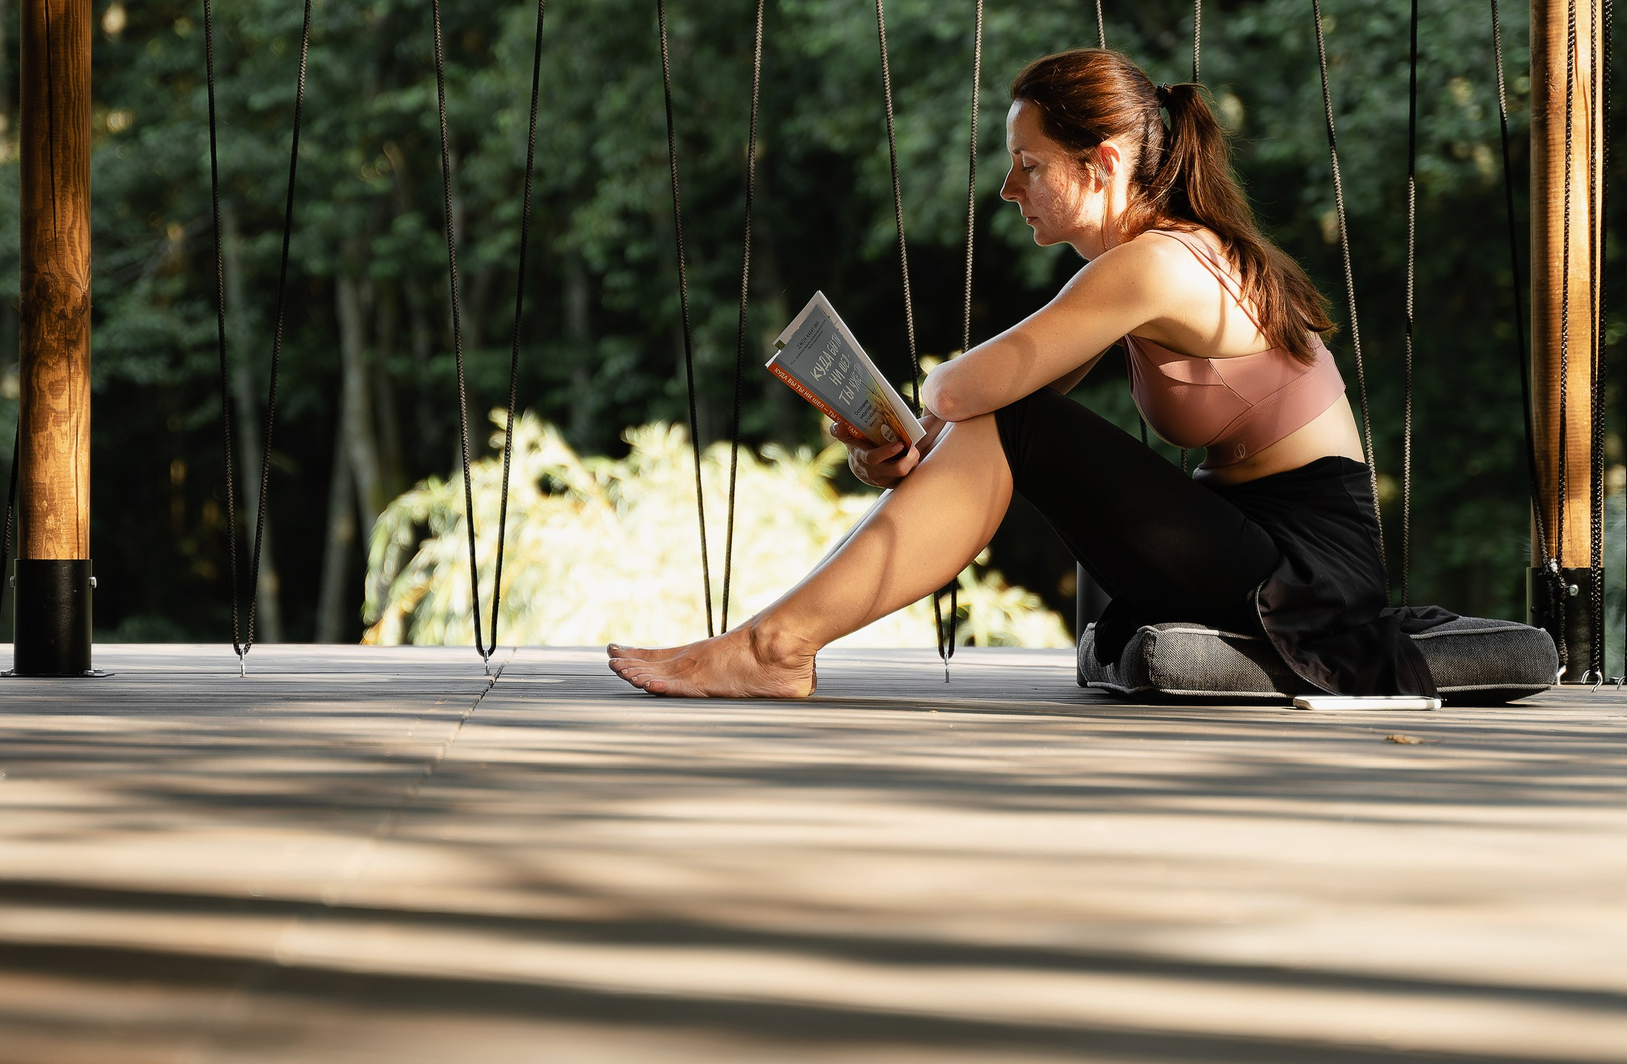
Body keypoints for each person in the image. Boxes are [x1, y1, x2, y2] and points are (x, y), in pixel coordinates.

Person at [607, 46, 1441, 701]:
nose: (1010, 188)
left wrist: (926, 408)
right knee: (1019, 419)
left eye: (1030, 164)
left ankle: (773, 646)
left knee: (1016, 419)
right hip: (1259, 537)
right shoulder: (1150, 260)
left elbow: (965, 394)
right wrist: (895, 445)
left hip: (1304, 567)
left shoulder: (1157, 263)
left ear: (1103, 163)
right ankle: (773, 643)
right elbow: (987, 416)